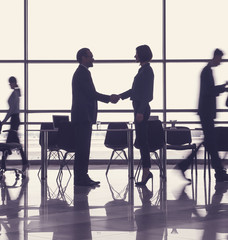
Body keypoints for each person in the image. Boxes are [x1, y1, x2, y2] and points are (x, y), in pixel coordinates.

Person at [175, 48, 228, 182]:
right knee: (210, 142)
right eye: (220, 59)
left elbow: (208, 90)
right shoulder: (207, 71)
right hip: (206, 112)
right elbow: (209, 91)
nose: (220, 62)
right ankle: (218, 172)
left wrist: (222, 87)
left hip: (206, 112)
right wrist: (223, 88)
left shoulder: (207, 71)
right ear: (216, 57)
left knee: (209, 142)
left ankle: (184, 166)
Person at [71, 48, 118, 187]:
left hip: (82, 117)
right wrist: (109, 98)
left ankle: (82, 177)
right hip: (82, 117)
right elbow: (92, 94)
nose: (93, 59)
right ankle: (81, 178)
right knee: (82, 149)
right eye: (91, 56)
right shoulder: (82, 73)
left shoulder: (82, 72)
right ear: (83, 58)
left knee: (83, 149)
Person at [118, 45, 154, 186]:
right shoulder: (143, 70)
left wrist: (140, 111)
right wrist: (120, 96)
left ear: (142, 55)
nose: (135, 56)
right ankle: (146, 171)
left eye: (136, 54)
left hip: (141, 109)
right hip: (139, 108)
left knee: (143, 142)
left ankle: (146, 171)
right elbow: (135, 90)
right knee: (142, 141)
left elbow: (147, 94)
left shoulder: (147, 71)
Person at [1, 76, 29, 173]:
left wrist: (3, 122)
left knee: (9, 143)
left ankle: (3, 163)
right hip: (15, 119)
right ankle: (24, 161)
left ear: (13, 83)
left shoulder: (14, 94)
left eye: (10, 83)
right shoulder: (16, 93)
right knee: (13, 141)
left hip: (14, 119)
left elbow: (11, 110)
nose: (9, 85)